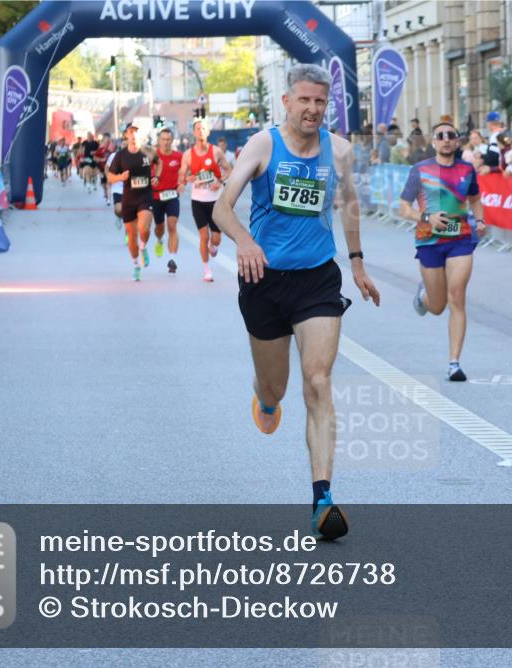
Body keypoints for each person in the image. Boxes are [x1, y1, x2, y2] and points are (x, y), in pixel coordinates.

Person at [212, 63, 380, 540]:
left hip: (316, 280)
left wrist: (357, 264)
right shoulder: (263, 145)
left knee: (318, 380)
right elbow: (222, 207)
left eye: (320, 101)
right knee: (276, 391)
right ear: (286, 101)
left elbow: (349, 206)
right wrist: (246, 242)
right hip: (263, 279)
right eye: (304, 100)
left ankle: (322, 499)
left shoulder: (339, 151)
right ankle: (265, 398)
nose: (312, 109)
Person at [398, 121, 485, 382]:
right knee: (437, 306)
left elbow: (475, 199)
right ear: (434, 142)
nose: (446, 139)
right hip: (429, 241)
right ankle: (424, 297)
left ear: (457, 141)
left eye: (451, 135)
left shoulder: (467, 169)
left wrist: (480, 220)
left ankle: (454, 363)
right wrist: (427, 217)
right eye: (441, 135)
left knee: (457, 296)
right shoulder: (420, 170)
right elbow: (404, 208)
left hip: (460, 239)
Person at [179, 119, 231, 282]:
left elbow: (229, 170)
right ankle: (207, 270)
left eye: (203, 129)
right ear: (194, 132)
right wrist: (185, 180)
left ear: (208, 132)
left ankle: (213, 247)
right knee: (204, 236)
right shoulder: (188, 155)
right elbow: (182, 176)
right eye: (198, 129)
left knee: (216, 239)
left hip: (215, 201)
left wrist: (220, 181)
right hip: (198, 201)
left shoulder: (216, 152)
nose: (200, 131)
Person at [107, 125, 159, 281]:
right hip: (129, 199)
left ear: (141, 135)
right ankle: (136, 265)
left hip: (145, 196)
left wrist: (156, 177)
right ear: (126, 136)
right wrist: (120, 177)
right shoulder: (120, 156)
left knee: (144, 228)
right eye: (131, 132)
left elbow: (159, 163)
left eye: (136, 132)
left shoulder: (148, 151)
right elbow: (110, 176)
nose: (134, 134)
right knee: (131, 236)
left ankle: (143, 248)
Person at [151, 128, 184, 273]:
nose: (166, 142)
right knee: (159, 228)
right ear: (159, 140)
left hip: (172, 195)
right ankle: (159, 240)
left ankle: (172, 259)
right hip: (156, 197)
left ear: (172, 140)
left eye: (168, 139)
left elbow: (186, 172)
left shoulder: (178, 156)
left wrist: (182, 183)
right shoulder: (153, 156)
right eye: (163, 139)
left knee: (172, 225)